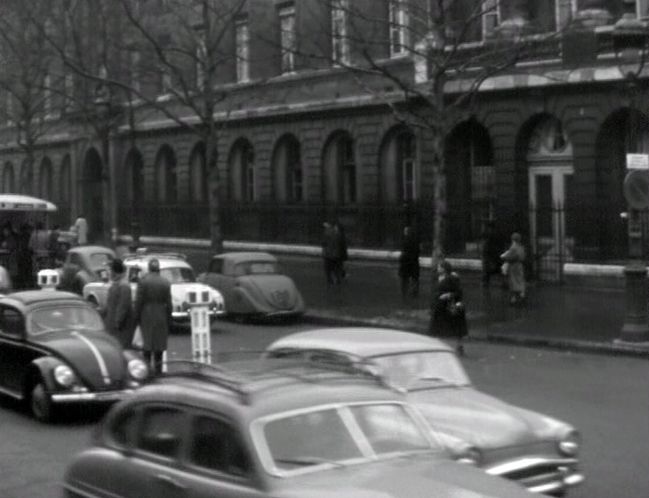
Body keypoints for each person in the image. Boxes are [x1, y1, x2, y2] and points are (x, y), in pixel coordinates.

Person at [134, 258, 172, 374]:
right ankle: (158, 372)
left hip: (146, 315)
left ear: (149, 268)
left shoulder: (143, 281)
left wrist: (136, 318)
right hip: (161, 315)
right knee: (159, 348)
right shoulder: (165, 282)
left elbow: (138, 302)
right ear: (158, 269)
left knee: (147, 346)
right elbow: (169, 304)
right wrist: (168, 319)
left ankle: (147, 372)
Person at [429, 260, 468, 356]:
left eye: (439, 267)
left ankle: (459, 346)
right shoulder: (439, 278)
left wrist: (449, 295)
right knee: (437, 327)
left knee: (456, 327)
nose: (438, 269)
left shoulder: (452, 278)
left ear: (444, 269)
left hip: (450, 306)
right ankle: (436, 347)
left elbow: (459, 292)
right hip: (440, 306)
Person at [104, 258, 135, 349]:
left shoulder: (124, 286)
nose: (109, 273)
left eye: (110, 270)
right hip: (113, 328)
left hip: (120, 330)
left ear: (114, 271)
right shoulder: (117, 284)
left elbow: (123, 307)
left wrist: (117, 323)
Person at [501, 232, 526, 305]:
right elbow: (523, 256)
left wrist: (504, 256)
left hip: (514, 266)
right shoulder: (521, 247)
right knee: (520, 280)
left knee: (513, 282)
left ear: (513, 239)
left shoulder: (513, 248)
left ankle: (514, 299)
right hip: (520, 266)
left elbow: (509, 257)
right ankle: (522, 295)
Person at [398, 225, 420, 298]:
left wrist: (401, 259)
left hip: (405, 262)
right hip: (414, 262)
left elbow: (403, 252)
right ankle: (414, 293)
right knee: (414, 278)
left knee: (404, 280)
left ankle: (404, 293)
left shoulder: (404, 241)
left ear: (406, 232)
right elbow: (418, 251)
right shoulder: (416, 241)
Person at [481, 221, 502, 288]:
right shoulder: (496, 234)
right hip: (495, 254)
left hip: (490, 254)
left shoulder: (489, 235)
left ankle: (486, 283)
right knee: (497, 269)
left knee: (487, 270)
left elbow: (487, 245)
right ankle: (502, 282)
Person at [0, 222, 17, 287]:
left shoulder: (11, 238)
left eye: (5, 231)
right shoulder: (5, 238)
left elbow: (11, 247)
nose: (4, 232)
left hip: (10, 257)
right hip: (6, 257)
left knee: (9, 271)